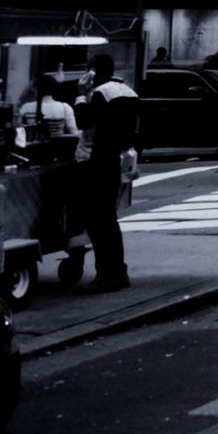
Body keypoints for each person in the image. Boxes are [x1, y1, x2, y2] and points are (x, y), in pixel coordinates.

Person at [73, 55, 140, 291]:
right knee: (109, 220)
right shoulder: (127, 91)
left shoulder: (101, 93)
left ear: (92, 71)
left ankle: (106, 274)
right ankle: (119, 271)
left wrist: (81, 94)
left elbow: (83, 121)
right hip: (115, 160)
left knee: (98, 222)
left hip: (97, 161)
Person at [16, 74, 81, 141]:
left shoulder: (26, 107)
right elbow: (74, 134)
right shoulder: (65, 107)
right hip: (56, 149)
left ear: (37, 89)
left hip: (32, 148)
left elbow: (18, 131)